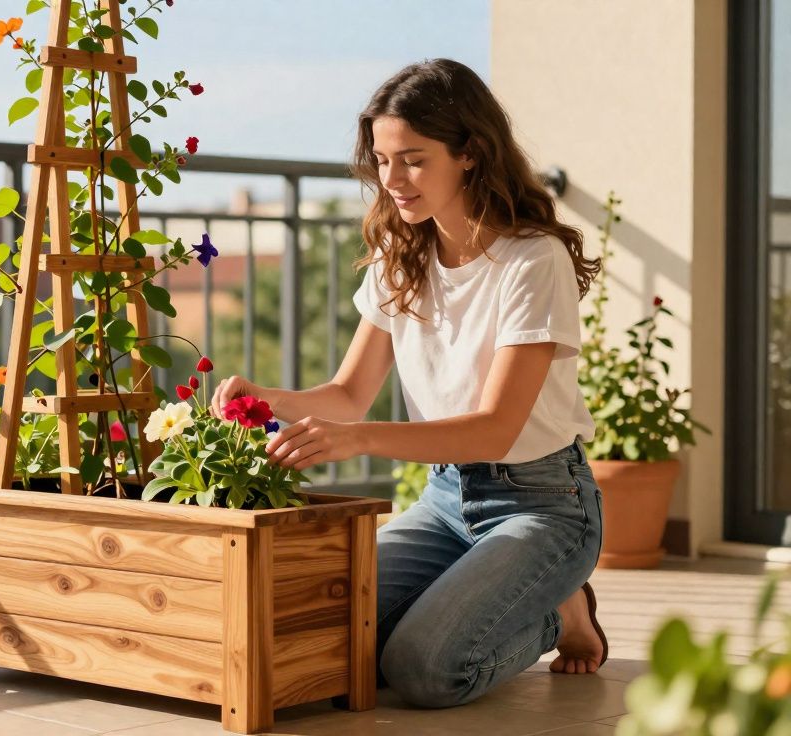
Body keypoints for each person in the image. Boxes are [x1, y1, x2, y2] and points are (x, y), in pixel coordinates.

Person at [209, 58, 609, 709]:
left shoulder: (533, 262)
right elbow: (346, 394)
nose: (392, 181)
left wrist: (357, 440)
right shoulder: (405, 259)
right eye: (382, 160)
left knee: (424, 670)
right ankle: (499, 590)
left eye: (414, 161)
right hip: (446, 500)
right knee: (338, 642)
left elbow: (496, 427)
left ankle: (556, 615)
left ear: (471, 154)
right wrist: (266, 398)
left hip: (541, 504)